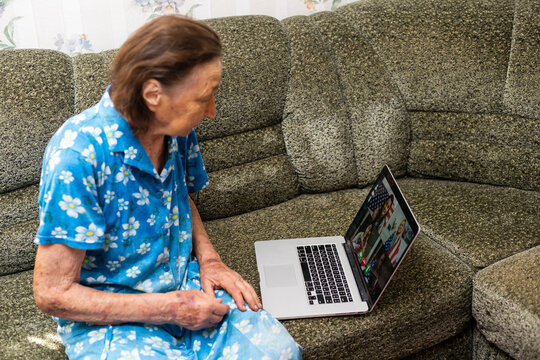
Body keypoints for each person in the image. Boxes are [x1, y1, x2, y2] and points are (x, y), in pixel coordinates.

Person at [32, 15, 302, 360]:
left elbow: (180, 197)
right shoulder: (77, 157)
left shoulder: (175, 130)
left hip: (183, 283)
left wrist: (210, 260)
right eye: (203, 98)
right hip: (111, 317)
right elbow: (52, 294)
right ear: (153, 94)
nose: (212, 111)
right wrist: (171, 309)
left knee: (280, 353)